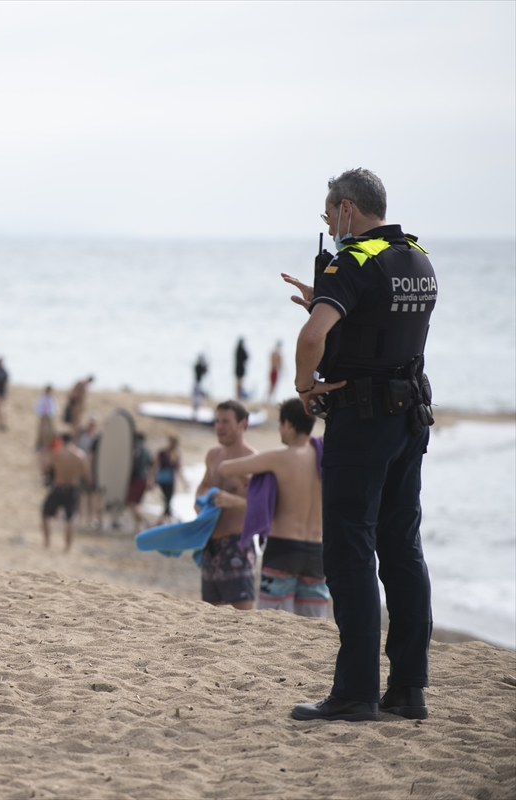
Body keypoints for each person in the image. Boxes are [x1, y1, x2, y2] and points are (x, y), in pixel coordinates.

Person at [285, 168, 436, 723]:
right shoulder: (418, 258)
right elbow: (382, 332)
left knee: (349, 550)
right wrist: (322, 301)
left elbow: (311, 340)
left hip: (361, 422)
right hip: (409, 419)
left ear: (347, 210)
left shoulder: (349, 263)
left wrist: (306, 387)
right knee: (401, 549)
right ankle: (409, 690)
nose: (329, 226)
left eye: (329, 216)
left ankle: (354, 693)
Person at [217, 398, 328, 617]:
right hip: (318, 552)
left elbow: (224, 468)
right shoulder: (326, 458)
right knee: (313, 624)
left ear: (288, 423)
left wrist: (253, 478)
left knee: (273, 621)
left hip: (283, 550)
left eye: (279, 424)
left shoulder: (279, 458)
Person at [194, 400, 258, 610]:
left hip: (237, 544)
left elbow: (261, 509)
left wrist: (232, 501)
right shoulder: (213, 455)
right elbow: (203, 485)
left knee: (243, 614)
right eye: (217, 421)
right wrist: (200, 503)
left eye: (226, 422)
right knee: (211, 614)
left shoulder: (253, 460)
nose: (219, 427)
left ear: (242, 424)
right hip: (210, 544)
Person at [41, 432, 91, 551]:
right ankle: (67, 547)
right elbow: (86, 475)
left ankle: (47, 542)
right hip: (72, 489)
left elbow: (46, 468)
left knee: (45, 514)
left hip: (58, 487)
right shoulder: (80, 455)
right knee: (70, 519)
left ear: (61, 440)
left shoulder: (57, 454)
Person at [75, 415, 101, 526]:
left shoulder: (96, 438)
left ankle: (91, 517)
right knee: (81, 494)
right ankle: (80, 516)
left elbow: (93, 456)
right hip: (81, 467)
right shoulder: (82, 435)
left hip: (92, 468)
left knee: (91, 494)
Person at [125, 432, 153, 531]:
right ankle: (136, 528)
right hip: (144, 479)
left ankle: (148, 522)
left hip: (137, 479)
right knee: (136, 504)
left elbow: (135, 466)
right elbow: (151, 466)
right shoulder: (147, 450)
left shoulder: (137, 449)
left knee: (131, 503)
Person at [153, 435, 183, 522]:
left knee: (168, 501)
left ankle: (162, 520)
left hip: (170, 479)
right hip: (163, 479)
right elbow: (155, 465)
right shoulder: (163, 452)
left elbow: (178, 468)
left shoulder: (175, 453)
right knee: (167, 500)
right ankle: (168, 520)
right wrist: (152, 479)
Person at [35, 385, 57, 451]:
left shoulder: (52, 398)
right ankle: (40, 444)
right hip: (43, 416)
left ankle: (49, 445)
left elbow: (54, 408)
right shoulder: (43, 398)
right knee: (42, 431)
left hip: (50, 416)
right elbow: (38, 406)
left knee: (50, 431)